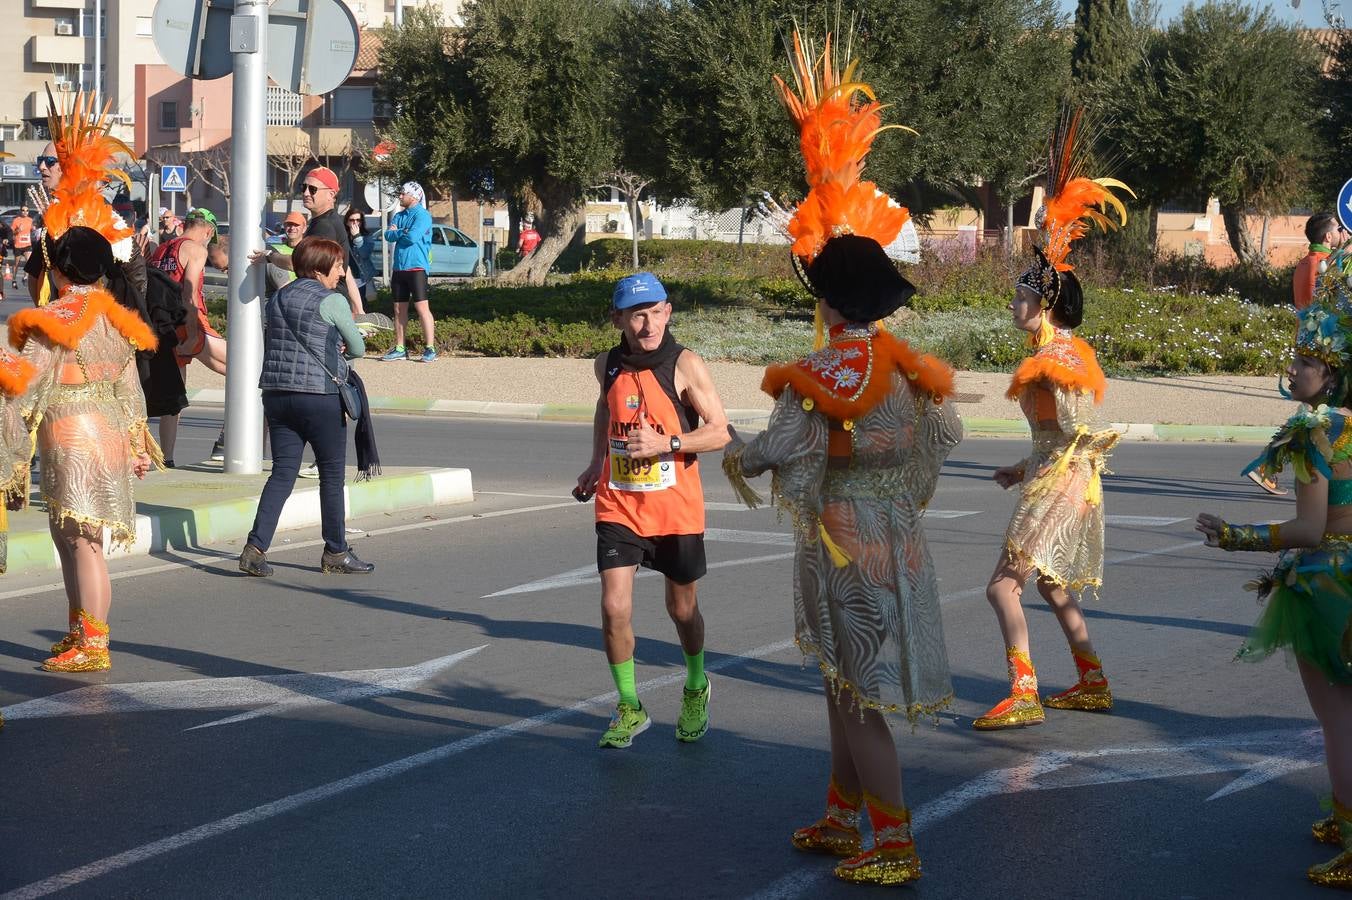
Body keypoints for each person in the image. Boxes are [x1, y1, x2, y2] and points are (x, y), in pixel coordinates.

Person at [722, 32, 962, 887]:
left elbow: (777, 450)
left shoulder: (817, 373)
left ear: (826, 301)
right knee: (839, 682)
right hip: (897, 538)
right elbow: (942, 449)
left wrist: (731, 452)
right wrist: (898, 499)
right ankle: (840, 814)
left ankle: (894, 840)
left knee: (856, 692)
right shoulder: (908, 369)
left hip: (840, 547)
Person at [1197, 247, 1352, 889]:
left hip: (1327, 584)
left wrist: (1237, 536)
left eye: (1307, 363)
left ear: (1334, 374)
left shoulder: (1315, 431)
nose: (1294, 371)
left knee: (1338, 714)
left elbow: (1310, 529)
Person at [974, 110, 1132, 732]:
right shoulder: (1059, 351)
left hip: (1062, 479)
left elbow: (1071, 421)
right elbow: (1056, 432)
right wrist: (1023, 465)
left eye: (1021, 297)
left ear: (1044, 305)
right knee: (1047, 583)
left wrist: (1060, 453)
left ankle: (1024, 691)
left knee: (1002, 586)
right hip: (1062, 474)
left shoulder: (1054, 357)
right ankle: (1091, 679)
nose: (1013, 303)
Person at [574, 271, 730, 749]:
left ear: (668, 312)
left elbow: (721, 431)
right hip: (619, 503)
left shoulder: (686, 365)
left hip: (676, 509)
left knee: (681, 610)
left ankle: (696, 684)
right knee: (613, 606)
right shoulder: (607, 364)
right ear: (618, 318)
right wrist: (596, 462)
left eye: (656, 312)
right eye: (637, 314)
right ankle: (629, 706)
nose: (648, 324)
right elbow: (606, 409)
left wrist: (668, 442)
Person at [10, 226, 160, 672]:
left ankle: (94, 644)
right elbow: (130, 391)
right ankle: (80, 632)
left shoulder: (56, 316)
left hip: (72, 434)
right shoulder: (118, 317)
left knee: (81, 541)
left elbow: (25, 384)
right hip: (108, 428)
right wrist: (137, 444)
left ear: (58, 271)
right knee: (70, 536)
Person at [238, 237, 373, 578]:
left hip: (276, 393)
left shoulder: (278, 297)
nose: (342, 273)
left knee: (282, 473)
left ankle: (255, 548)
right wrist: (342, 348)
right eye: (338, 266)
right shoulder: (331, 301)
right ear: (317, 269)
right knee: (330, 475)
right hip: (319, 396)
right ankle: (336, 552)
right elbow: (356, 346)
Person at [148, 208, 227, 466]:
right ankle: (229, 441)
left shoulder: (161, 249)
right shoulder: (196, 250)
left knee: (174, 397)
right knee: (247, 371)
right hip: (187, 324)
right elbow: (189, 295)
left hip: (162, 328)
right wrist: (192, 334)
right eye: (209, 238)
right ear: (208, 230)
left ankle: (166, 458)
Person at [251, 166, 365, 315]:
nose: (305, 193)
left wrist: (269, 256)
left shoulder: (324, 225)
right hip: (331, 305)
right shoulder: (328, 221)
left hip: (323, 307)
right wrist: (358, 309)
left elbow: (298, 263)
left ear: (331, 194)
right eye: (303, 187)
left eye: (313, 189)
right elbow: (346, 269)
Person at [380, 182, 436, 363]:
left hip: (417, 267)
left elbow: (412, 237)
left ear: (414, 196)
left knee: (421, 308)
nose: (400, 196)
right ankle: (400, 348)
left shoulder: (423, 215)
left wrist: (400, 232)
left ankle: (430, 348)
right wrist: (401, 232)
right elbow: (387, 235)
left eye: (403, 193)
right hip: (399, 268)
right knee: (398, 309)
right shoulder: (398, 215)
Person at [1295, 213, 1347, 311]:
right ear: (1328, 236)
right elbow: (1341, 295)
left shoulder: (1303, 262)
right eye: (1339, 229)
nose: (1342, 232)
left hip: (1304, 325)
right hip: (1326, 325)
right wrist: (1344, 253)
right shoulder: (1327, 263)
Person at [346, 206, 375, 303]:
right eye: (352, 220)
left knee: (361, 308)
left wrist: (357, 237)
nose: (355, 223)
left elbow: (364, 254)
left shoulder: (367, 237)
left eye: (358, 220)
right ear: (347, 221)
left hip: (361, 279)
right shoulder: (342, 237)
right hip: (345, 278)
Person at [10, 205, 33, 288]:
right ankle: (14, 279)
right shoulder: (16, 220)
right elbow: (12, 232)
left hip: (27, 244)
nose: (25, 212)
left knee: (29, 261)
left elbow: (32, 230)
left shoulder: (30, 220)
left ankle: (25, 277)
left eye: (27, 210)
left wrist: (33, 229)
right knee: (16, 263)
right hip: (18, 245)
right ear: (20, 211)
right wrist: (18, 230)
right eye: (23, 210)